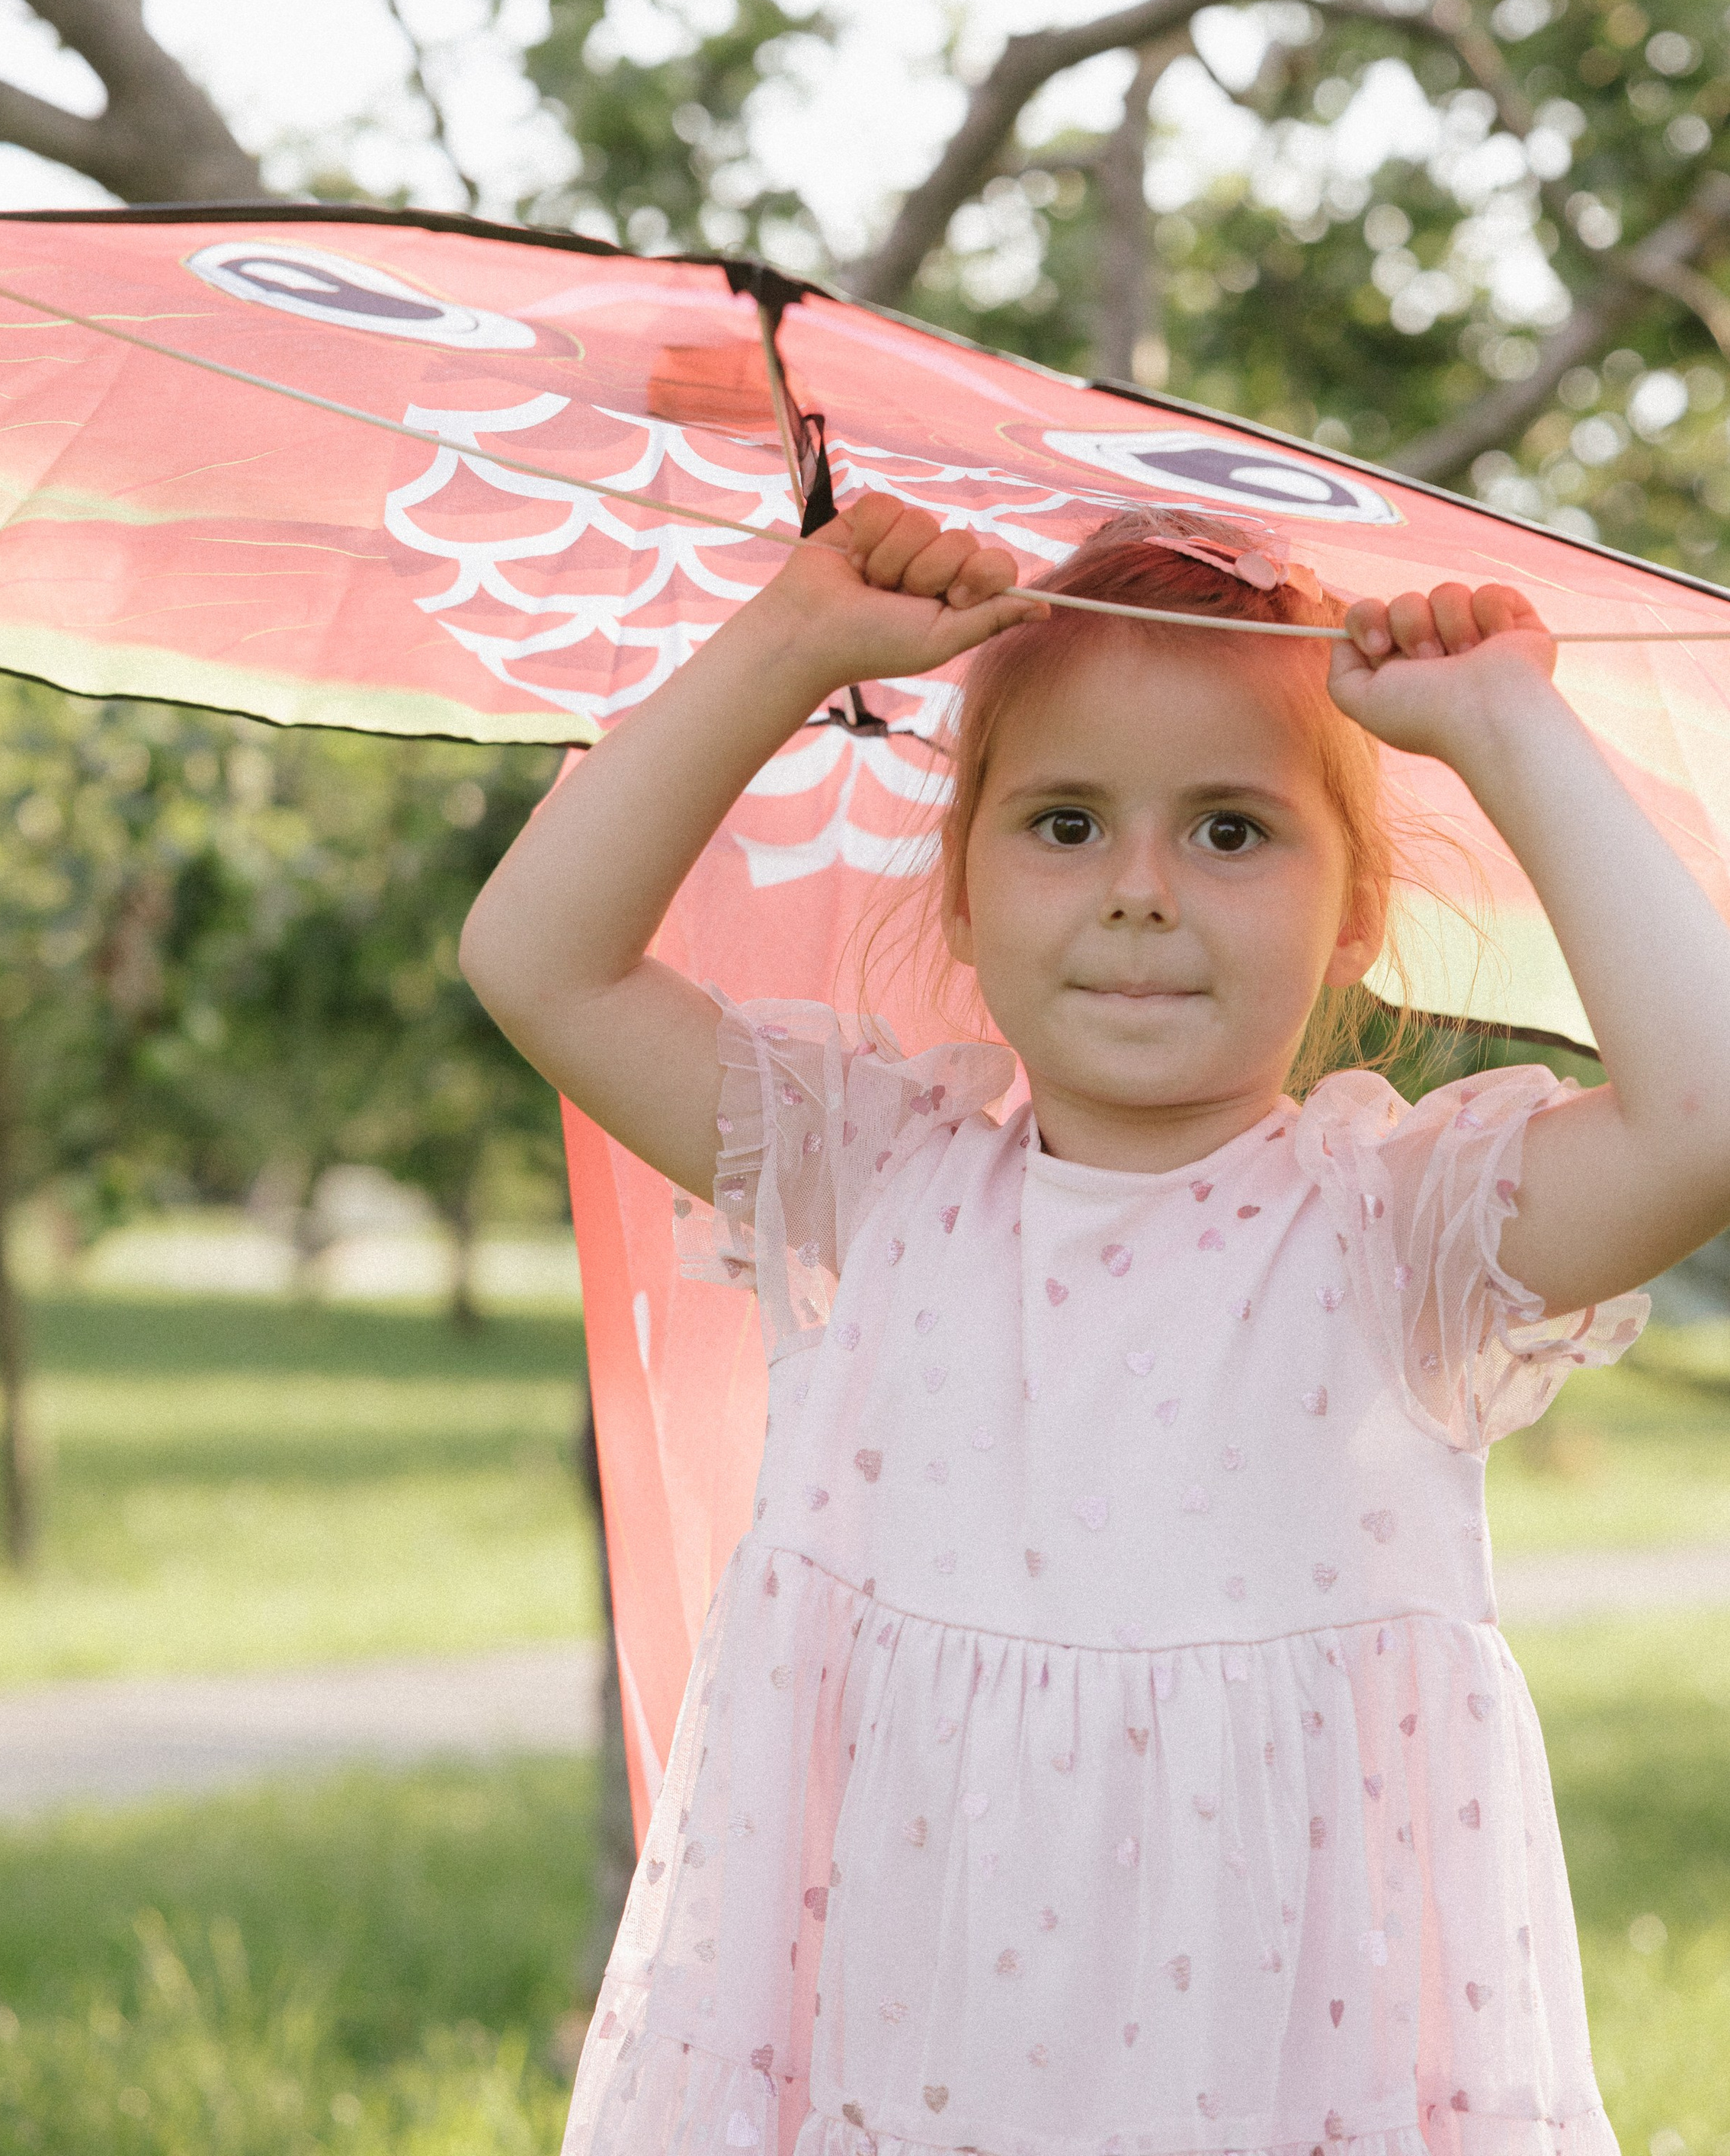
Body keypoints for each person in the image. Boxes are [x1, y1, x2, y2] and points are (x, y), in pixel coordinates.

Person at [460, 492, 1729, 2156]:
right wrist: (794, 642)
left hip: (1270, 2058)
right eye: (1063, 825)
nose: (1138, 890)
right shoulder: (871, 1179)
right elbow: (535, 959)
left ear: (1353, 912)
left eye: (1228, 830)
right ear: (964, 895)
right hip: (901, 2040)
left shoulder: (1386, 1233)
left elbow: (1702, 1118)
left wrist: (1502, 724)